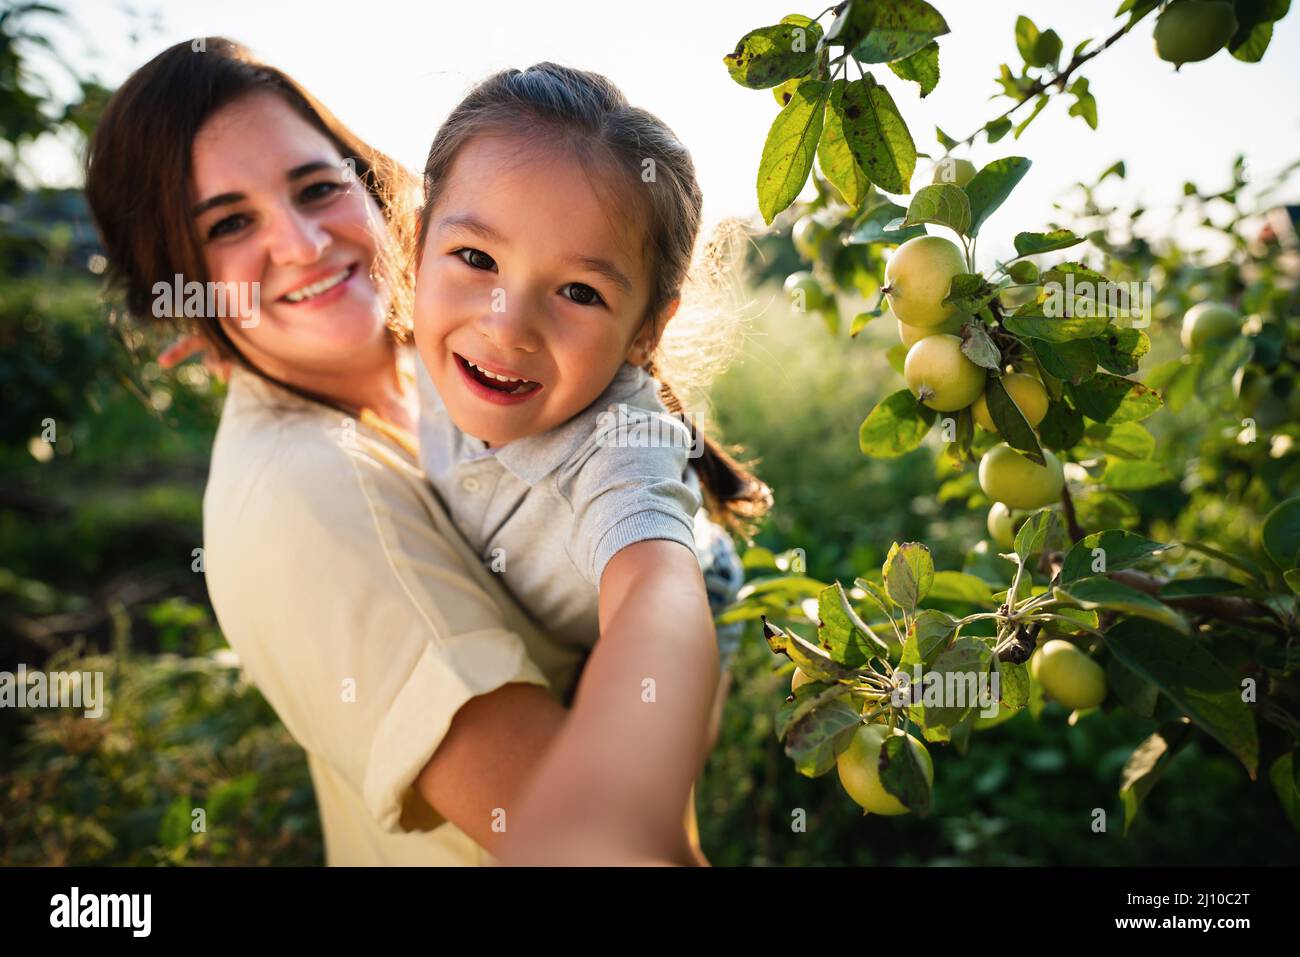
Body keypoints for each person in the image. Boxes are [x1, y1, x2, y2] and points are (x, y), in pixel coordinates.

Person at [82, 38, 756, 866]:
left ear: (374, 193)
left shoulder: (450, 369)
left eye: (317, 187)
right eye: (228, 225)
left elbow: (650, 566)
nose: (303, 245)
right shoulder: (298, 491)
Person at [404, 63, 771, 862]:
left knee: (652, 817)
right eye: (475, 257)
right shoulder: (417, 343)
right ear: (417, 244)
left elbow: (654, 592)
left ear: (646, 330)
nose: (507, 328)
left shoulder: (620, 450)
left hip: (695, 588)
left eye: (577, 291)